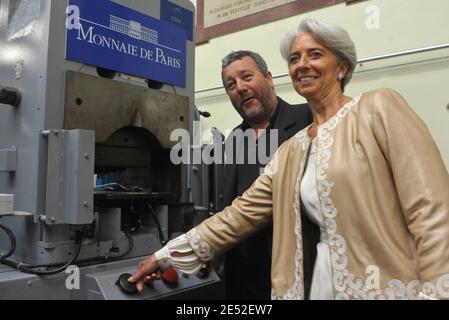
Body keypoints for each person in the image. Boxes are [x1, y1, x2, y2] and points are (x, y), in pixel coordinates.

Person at [129, 19, 449, 300]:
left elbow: (432, 211)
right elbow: (239, 215)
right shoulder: (291, 150)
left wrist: (436, 292)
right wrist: (165, 256)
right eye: (294, 58)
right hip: (314, 285)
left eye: (315, 54)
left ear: (342, 66)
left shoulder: (378, 109)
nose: (301, 65)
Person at [218, 51, 313, 299]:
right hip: (243, 280)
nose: (240, 88)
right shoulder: (233, 140)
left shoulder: (308, 119)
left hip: (297, 275)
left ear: (269, 77)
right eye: (231, 85)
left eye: (246, 77)